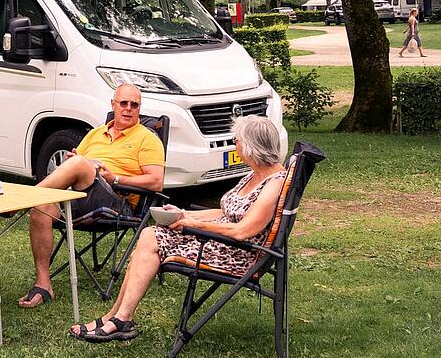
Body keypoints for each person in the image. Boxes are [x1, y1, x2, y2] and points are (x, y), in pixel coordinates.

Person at [68, 114, 287, 342]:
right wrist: (184, 214)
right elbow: (226, 213)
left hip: (235, 254)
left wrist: (195, 225)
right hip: (221, 241)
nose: (235, 146)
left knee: (152, 238)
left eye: (237, 141)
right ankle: (117, 316)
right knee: (150, 235)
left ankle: (120, 318)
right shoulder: (255, 175)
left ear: (252, 147)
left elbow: (243, 231)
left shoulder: (273, 183)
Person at [17, 83, 165, 308]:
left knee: (78, 165)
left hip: (117, 202)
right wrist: (72, 163)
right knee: (41, 207)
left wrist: (114, 178)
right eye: (123, 103)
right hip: (79, 196)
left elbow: (156, 181)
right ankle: (43, 284)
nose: (128, 109)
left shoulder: (147, 138)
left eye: (134, 105)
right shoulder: (96, 133)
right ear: (113, 104)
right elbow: (78, 163)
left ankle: (23, 199)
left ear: (139, 108)